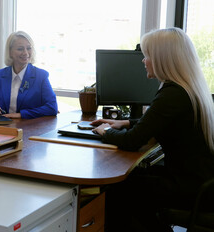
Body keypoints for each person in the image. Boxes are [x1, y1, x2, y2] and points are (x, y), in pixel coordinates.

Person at [91, 28, 214, 231]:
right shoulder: (188, 88)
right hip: (202, 182)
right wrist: (128, 122)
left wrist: (106, 131)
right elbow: (164, 120)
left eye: (147, 55)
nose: (143, 60)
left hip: (190, 189)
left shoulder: (171, 94)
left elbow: (132, 141)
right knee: (134, 179)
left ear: (162, 59)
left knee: (117, 189)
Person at [0, 31, 58, 119]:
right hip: (2, 128)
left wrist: (21, 114)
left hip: (31, 129)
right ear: (10, 52)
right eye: (20, 49)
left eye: (29, 48)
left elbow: (52, 107)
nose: (26, 53)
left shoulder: (41, 76)